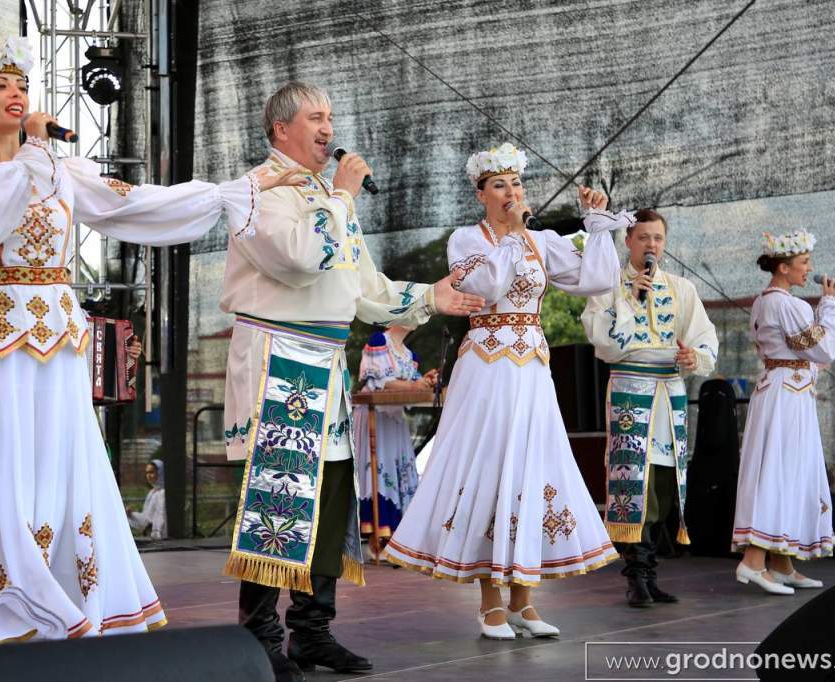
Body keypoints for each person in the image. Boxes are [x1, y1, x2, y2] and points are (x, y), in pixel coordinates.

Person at [0, 32, 300, 646]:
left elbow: (136, 205)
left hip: (56, 338)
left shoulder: (61, 170)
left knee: (59, 461)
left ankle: (65, 593)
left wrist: (235, 192)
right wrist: (31, 154)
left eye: (21, 85)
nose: (15, 94)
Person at [219, 81, 484, 681]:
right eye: (316, 117)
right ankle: (259, 638)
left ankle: (311, 632)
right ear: (281, 128)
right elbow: (298, 257)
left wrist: (431, 297)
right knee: (279, 497)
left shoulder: (328, 198)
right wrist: (340, 196)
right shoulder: (257, 191)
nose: (329, 129)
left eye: (331, 117)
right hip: (279, 356)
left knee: (331, 498)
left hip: (326, 361)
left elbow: (364, 288)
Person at [384, 143, 629, 640]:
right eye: (499, 185)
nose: (511, 192)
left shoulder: (540, 240)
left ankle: (523, 600)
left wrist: (597, 224)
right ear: (481, 194)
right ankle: (489, 602)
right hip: (487, 367)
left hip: (531, 368)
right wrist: (514, 236)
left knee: (531, 467)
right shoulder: (466, 240)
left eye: (516, 183)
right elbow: (487, 288)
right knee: (491, 469)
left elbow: (598, 277)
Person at [580, 208, 718, 607]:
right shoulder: (607, 285)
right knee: (633, 481)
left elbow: (704, 336)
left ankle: (650, 572)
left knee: (662, 483)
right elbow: (601, 340)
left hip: (670, 391)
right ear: (628, 241)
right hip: (631, 389)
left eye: (657, 238)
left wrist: (695, 357)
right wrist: (628, 298)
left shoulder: (681, 288)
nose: (651, 245)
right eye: (643, 238)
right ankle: (636, 576)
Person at [731, 230, 835, 593]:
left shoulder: (765, 301)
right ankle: (754, 562)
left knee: (785, 471)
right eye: (803, 263)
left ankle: (781, 563)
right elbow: (823, 347)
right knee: (780, 471)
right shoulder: (786, 304)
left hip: (782, 391)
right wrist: (830, 303)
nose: (809, 269)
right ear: (783, 267)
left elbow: (801, 351)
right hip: (786, 396)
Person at [353, 325, 437, 554]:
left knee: (397, 471)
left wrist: (425, 381)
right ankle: (377, 539)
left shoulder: (409, 354)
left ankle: (395, 540)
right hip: (375, 415)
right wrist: (413, 384)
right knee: (379, 471)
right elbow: (379, 380)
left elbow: (412, 382)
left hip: (394, 418)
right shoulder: (379, 341)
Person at [127, 460, 166, 540]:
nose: (148, 476)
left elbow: (161, 519)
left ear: (160, 473)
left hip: (161, 540)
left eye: (151, 472)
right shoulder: (153, 492)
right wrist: (130, 515)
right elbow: (146, 519)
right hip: (154, 539)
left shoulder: (163, 493)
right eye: (147, 473)